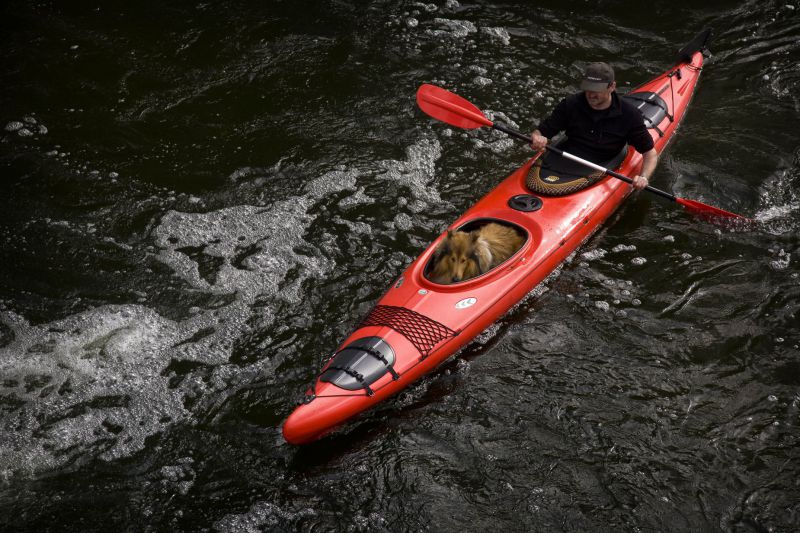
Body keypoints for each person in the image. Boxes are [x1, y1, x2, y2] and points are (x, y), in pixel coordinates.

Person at [530, 62, 657, 191]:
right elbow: (540, 132)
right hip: (567, 157)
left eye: (597, 90)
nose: (591, 94)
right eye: (588, 88)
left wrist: (644, 177)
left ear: (612, 86)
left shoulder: (630, 115)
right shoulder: (570, 104)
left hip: (602, 163)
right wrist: (537, 138)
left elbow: (650, 153)